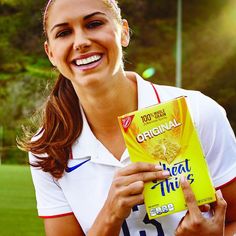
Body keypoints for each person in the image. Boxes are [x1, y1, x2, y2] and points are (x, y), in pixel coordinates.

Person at [19, 0, 236, 235]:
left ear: (123, 32)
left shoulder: (198, 112)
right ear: (50, 52)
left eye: (94, 23)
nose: (80, 42)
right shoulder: (47, 146)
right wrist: (111, 213)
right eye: (63, 32)